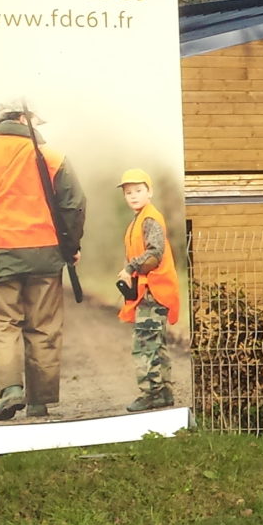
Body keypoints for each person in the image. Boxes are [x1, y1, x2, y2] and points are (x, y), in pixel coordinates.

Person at [0, 99, 85, 421]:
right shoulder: (53, 157)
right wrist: (71, 246)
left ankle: (11, 390)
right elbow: (74, 205)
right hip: (45, 255)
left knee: (0, 325)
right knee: (44, 327)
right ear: (23, 118)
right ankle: (39, 401)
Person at [115, 169, 179, 412]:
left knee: (144, 344)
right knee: (156, 342)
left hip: (155, 291)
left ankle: (150, 393)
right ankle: (163, 393)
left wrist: (130, 268)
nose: (133, 196)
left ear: (150, 192)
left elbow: (155, 253)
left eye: (138, 191)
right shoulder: (139, 219)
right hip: (150, 291)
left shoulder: (150, 219)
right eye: (128, 192)